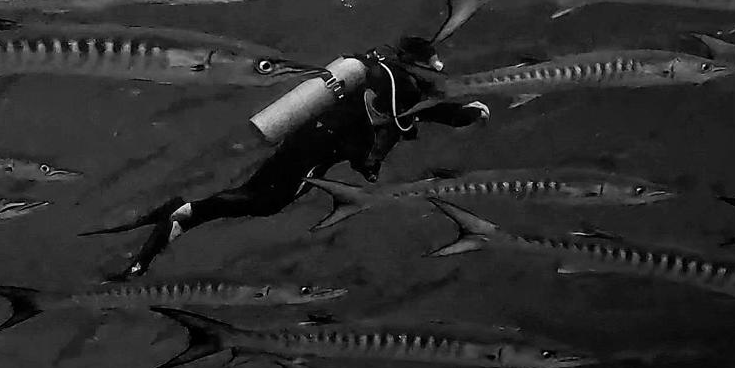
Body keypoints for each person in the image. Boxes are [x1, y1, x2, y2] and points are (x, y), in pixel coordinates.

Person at [87, 37, 489, 278]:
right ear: (420, 60)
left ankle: (174, 224)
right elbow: (403, 119)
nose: (440, 66)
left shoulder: (374, 68)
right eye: (435, 60)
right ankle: (182, 212)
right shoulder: (402, 82)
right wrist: (465, 113)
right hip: (319, 148)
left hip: (303, 135)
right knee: (266, 203)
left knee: (251, 192)